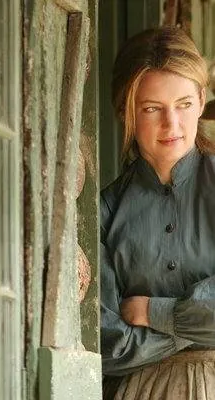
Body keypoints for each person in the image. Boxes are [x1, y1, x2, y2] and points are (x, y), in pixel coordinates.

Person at [100, 27, 215, 399]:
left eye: (184, 104)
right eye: (152, 108)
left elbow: (130, 329)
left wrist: (154, 313)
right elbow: (109, 345)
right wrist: (199, 325)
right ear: (126, 112)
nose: (172, 124)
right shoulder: (104, 212)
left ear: (201, 100)